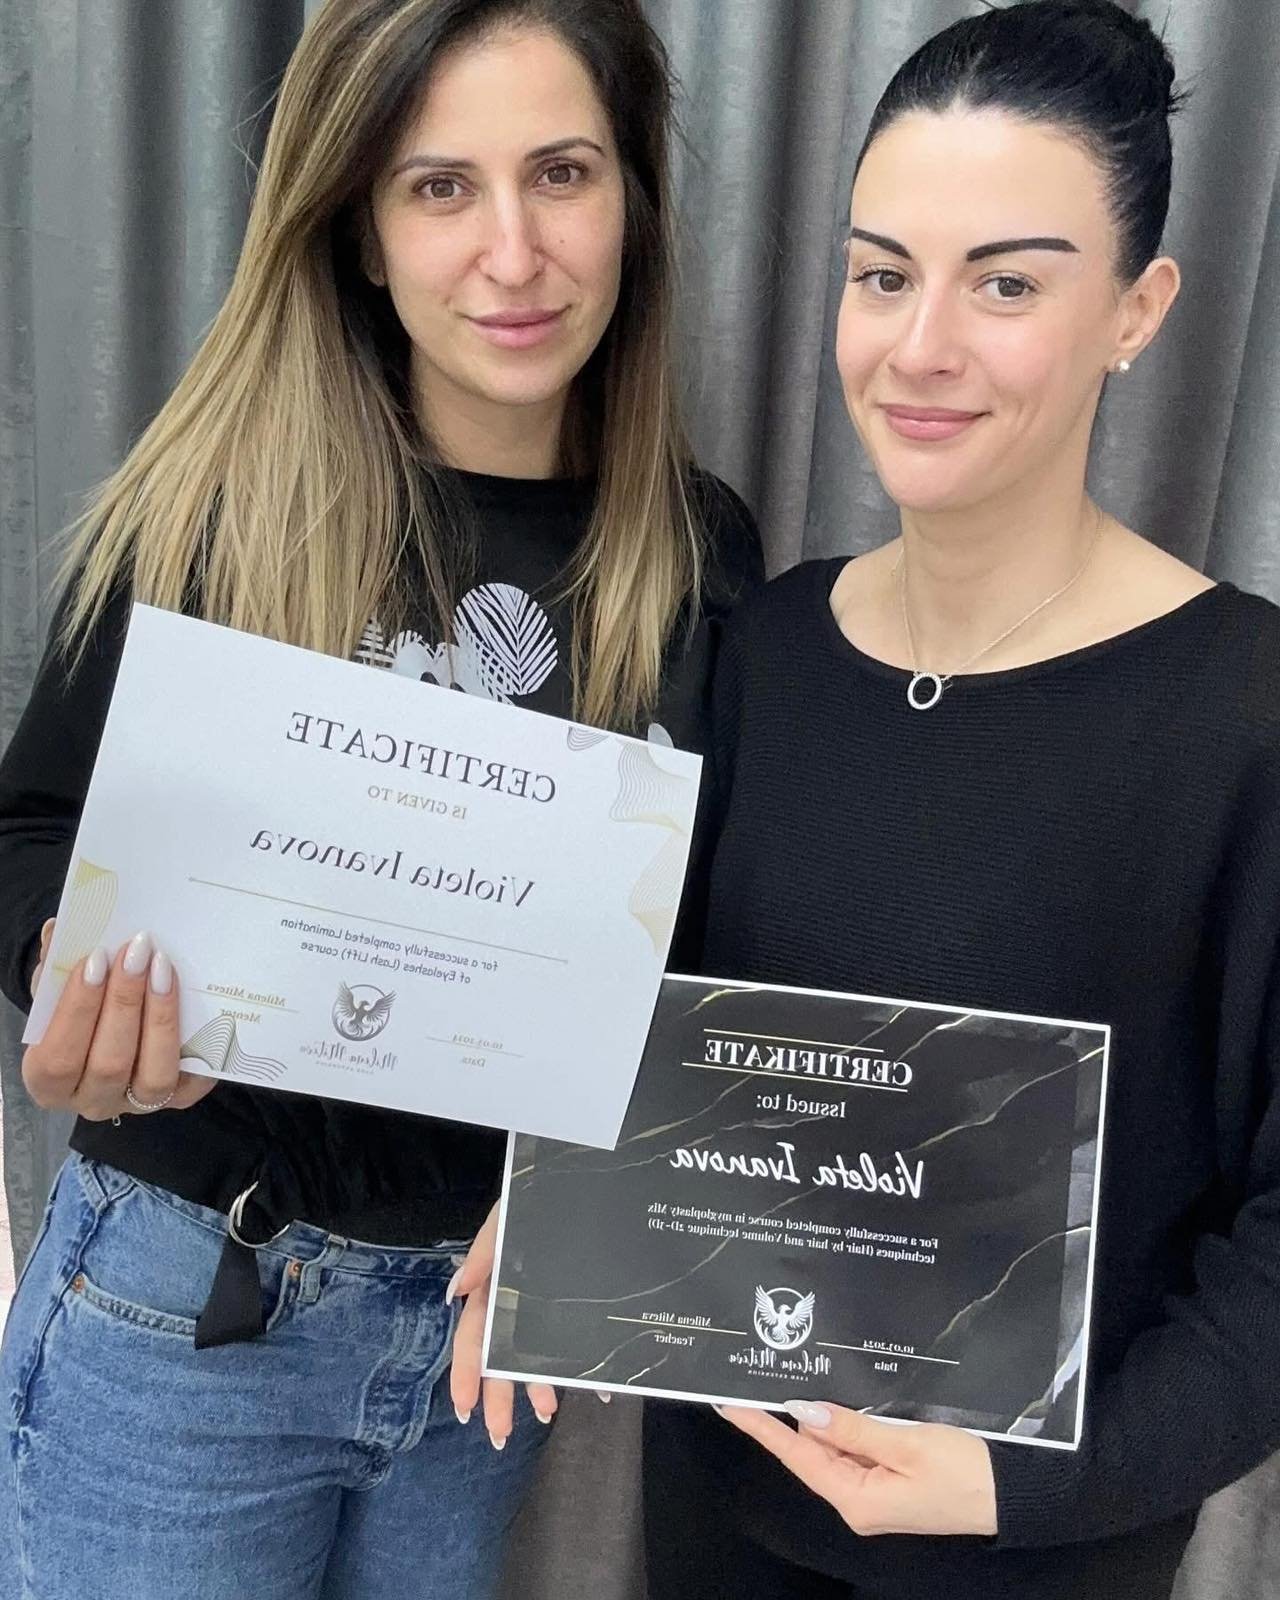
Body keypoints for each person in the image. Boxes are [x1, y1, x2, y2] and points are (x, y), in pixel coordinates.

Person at [0, 1, 760, 1595]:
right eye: (439, 187)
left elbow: (690, 956)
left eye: (562, 173)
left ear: (633, 200)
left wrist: (600, 1200)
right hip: (191, 1310)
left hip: (485, 1350)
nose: (513, 253)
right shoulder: (215, 506)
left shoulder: (697, 554)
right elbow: (26, 833)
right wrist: (62, 973)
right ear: (359, 228)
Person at [642, 3, 1280, 1598]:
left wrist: (1033, 1484)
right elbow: (654, 1061)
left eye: (1007, 284)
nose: (920, 346)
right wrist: (555, 1215)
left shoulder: (1248, 712)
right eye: (882, 274)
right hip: (720, 1518)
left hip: (1037, 1555)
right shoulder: (761, 653)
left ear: (1137, 311)